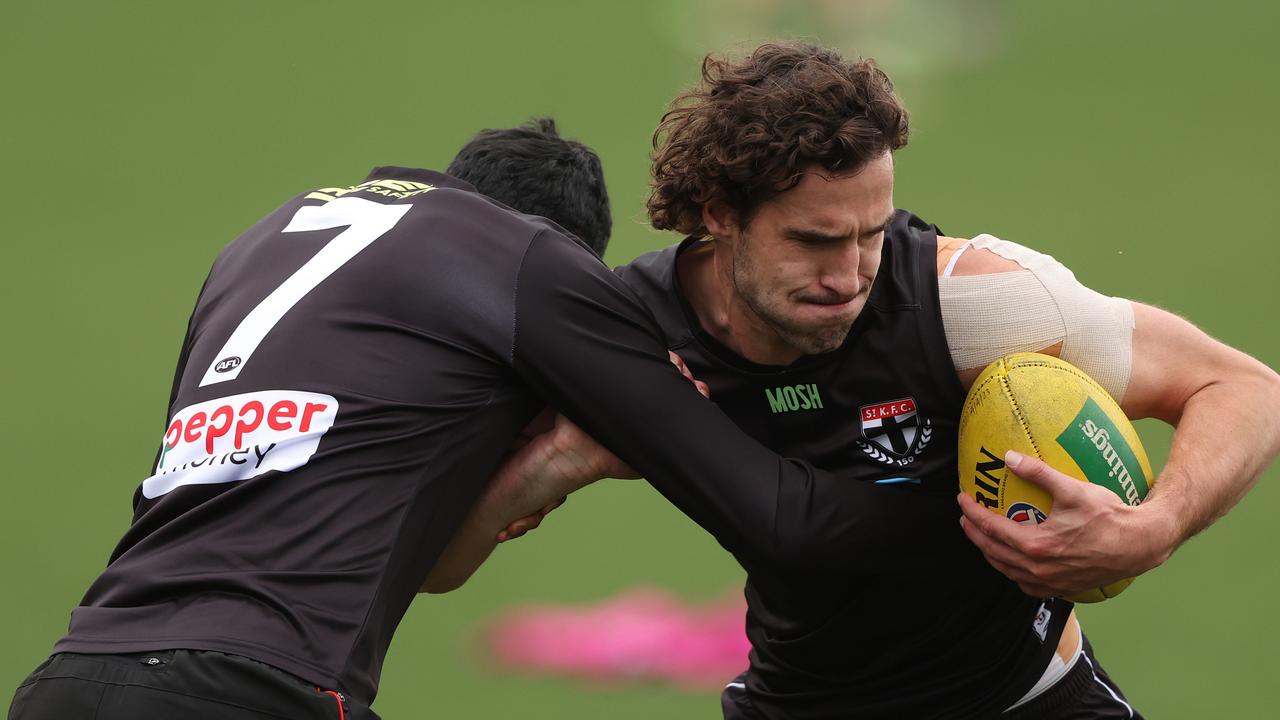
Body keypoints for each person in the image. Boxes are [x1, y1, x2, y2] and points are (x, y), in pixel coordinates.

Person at [432, 44, 1280, 718]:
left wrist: (1157, 525)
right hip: (799, 700)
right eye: (813, 240)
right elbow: (440, 564)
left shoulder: (975, 303)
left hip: (1027, 700)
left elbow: (1242, 387)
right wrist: (558, 464)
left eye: (870, 233)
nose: (852, 272)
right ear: (719, 212)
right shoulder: (626, 335)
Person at [6, 119, 913, 719]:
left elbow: (393, 529)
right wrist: (981, 523)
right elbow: (775, 516)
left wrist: (552, 465)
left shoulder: (267, 241)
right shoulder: (529, 259)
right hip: (252, 688)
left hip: (72, 673)